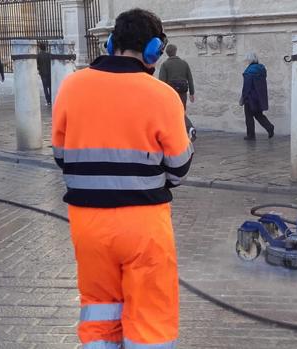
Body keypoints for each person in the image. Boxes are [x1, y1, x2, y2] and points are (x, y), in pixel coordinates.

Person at [52, 8, 193, 348]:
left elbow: (61, 156)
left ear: (111, 42)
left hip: (87, 225)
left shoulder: (71, 87)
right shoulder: (163, 96)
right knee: (150, 317)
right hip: (143, 225)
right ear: (154, 50)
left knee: (100, 311)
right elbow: (179, 167)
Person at [158, 44, 196, 141]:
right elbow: (190, 79)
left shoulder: (165, 65)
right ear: (176, 51)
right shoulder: (184, 63)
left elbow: (162, 81)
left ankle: (188, 128)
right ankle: (183, 132)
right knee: (181, 111)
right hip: (183, 92)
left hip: (171, 93)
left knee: (174, 113)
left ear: (167, 53)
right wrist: (192, 93)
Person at [240, 52, 274, 140]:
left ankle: (251, 135)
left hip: (250, 98)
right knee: (259, 115)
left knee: (249, 117)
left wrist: (243, 98)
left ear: (249, 59)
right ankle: (269, 127)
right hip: (259, 97)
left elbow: (247, 87)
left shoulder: (249, 71)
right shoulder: (261, 69)